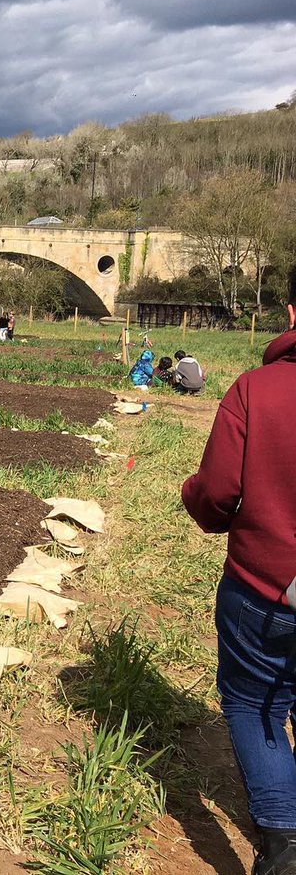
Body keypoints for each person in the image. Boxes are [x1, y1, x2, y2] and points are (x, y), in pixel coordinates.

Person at [183, 275, 296, 875]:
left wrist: (194, 499)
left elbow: (218, 494)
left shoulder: (256, 390)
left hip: (264, 590)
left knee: (255, 706)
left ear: (291, 311)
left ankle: (284, 848)